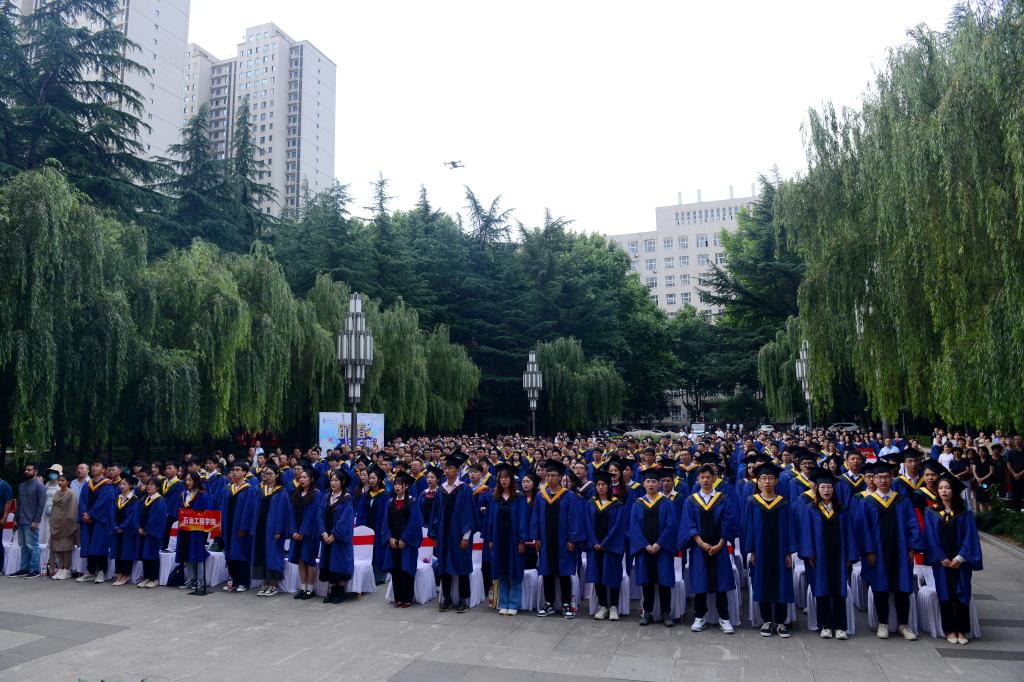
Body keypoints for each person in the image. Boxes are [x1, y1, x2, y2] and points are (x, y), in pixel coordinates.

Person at [857, 460, 923, 640]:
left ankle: (904, 625)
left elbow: (913, 525)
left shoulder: (902, 501)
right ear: (873, 480)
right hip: (877, 552)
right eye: (880, 477)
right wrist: (868, 551)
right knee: (880, 588)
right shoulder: (867, 502)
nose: (883, 480)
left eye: (887, 477)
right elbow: (863, 529)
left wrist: (912, 547)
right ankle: (883, 623)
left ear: (892, 478)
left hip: (901, 551)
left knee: (903, 589)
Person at [923, 473, 983, 645]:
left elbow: (970, 536)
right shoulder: (931, 512)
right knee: (945, 594)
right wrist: (941, 557)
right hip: (941, 562)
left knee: (962, 593)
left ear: (954, 491)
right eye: (941, 488)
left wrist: (961, 557)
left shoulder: (964, 512)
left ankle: (962, 630)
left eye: (947, 488)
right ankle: (949, 629)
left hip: (960, 562)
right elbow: (930, 537)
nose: (944, 491)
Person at [680, 463, 737, 634]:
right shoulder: (691, 500)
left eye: (708, 477)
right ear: (698, 479)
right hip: (699, 548)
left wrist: (721, 543)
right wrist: (699, 542)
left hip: (719, 547)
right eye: (702, 477)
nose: (705, 480)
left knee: (721, 582)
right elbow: (688, 523)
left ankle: (724, 617)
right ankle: (699, 616)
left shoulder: (723, 499)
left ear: (714, 479)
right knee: (700, 581)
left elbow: (728, 522)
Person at [743, 461, 796, 638]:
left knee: (782, 583)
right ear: (758, 481)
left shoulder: (784, 503)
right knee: (762, 581)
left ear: (776, 481)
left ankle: (781, 621)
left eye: (770, 478)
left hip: (780, 550)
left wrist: (789, 552)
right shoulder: (752, 502)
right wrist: (752, 550)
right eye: (763, 478)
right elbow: (749, 527)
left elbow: (789, 528)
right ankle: (766, 620)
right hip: (760, 550)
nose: (767, 481)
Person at [798, 470, 853, 640]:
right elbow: (806, 532)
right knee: (822, 590)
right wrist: (809, 554)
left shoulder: (841, 509)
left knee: (839, 591)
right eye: (823, 487)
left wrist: (849, 556)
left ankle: (840, 626)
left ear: (834, 489)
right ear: (817, 489)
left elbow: (849, 533)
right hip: (819, 556)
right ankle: (825, 625)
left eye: (829, 487)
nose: (826, 490)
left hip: (838, 556)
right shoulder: (811, 509)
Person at [532, 459, 586, 619]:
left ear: (560, 477)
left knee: (564, 573)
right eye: (548, 475)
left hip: (563, 541)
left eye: (553, 475)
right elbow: (536, 518)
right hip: (546, 541)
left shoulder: (569, 496)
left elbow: (574, 519)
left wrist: (572, 539)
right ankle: (548, 603)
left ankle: (566, 604)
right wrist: (537, 537)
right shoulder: (541, 496)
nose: (550, 478)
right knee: (547, 572)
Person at [628, 467, 678, 627]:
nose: (651, 484)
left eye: (654, 481)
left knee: (664, 582)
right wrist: (645, 544)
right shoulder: (638, 504)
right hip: (644, 550)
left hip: (662, 549)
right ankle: (647, 612)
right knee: (647, 581)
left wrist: (658, 544)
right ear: (643, 484)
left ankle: (666, 612)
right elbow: (634, 527)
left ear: (659, 484)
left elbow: (671, 526)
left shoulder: (667, 503)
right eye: (648, 481)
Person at [429, 454, 475, 613]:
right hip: (443, 535)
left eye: (450, 468)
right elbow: (436, 515)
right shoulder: (440, 490)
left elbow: (468, 514)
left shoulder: (464, 489)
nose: (447, 470)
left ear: (457, 470)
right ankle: (447, 598)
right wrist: (434, 535)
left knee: (461, 565)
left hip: (459, 535)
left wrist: (466, 536)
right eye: (445, 468)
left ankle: (463, 599)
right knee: (444, 566)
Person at [584, 470, 626, 621]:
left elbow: (618, 526)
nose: (600, 487)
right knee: (597, 575)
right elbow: (587, 525)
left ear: (609, 486)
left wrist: (605, 543)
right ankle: (603, 606)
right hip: (595, 547)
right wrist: (595, 542)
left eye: (603, 484)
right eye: (598, 484)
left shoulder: (617, 504)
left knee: (613, 575)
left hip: (611, 547)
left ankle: (613, 606)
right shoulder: (590, 504)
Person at [488, 463, 529, 616]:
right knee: (502, 570)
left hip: (513, 540)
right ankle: (503, 603)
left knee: (514, 571)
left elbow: (523, 520)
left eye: (506, 477)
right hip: (499, 539)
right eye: (501, 477)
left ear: (512, 479)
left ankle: (513, 604)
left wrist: (521, 541)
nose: (503, 480)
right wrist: (491, 539)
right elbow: (490, 519)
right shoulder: (495, 498)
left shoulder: (519, 498)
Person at [382, 471, 423, 608]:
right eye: (395, 484)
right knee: (396, 569)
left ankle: (407, 598)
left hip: (407, 543)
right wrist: (389, 538)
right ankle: (398, 598)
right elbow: (385, 522)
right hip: (393, 542)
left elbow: (414, 522)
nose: (397, 487)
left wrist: (404, 539)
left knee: (406, 569)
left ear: (406, 486)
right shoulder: (390, 502)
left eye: (400, 484)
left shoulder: (412, 502)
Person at [252, 464, 291, 597]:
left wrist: (279, 531)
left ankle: (273, 585)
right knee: (262, 554)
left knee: (273, 556)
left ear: (277, 475)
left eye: (270, 474)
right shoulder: (261, 490)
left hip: (273, 531)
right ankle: (265, 583)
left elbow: (283, 514)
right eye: (265, 474)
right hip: (261, 528)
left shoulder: (282, 493)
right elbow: (256, 510)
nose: (267, 476)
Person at [318, 468, 355, 604]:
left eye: (336, 480)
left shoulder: (346, 498)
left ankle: (340, 592)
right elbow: (319, 516)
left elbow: (345, 520)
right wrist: (323, 533)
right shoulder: (326, 497)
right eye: (331, 480)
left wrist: (334, 535)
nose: (333, 483)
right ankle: (331, 591)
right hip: (326, 536)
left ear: (342, 482)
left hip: (339, 539)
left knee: (339, 563)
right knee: (329, 563)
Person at [77, 460, 116, 583]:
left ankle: (101, 572)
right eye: (93, 466)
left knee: (100, 545)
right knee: (89, 545)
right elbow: (82, 501)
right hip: (87, 520)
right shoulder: (87, 484)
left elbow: (104, 503)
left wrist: (91, 515)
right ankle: (90, 571)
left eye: (97, 466)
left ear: (104, 470)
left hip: (100, 521)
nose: (94, 468)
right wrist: (84, 514)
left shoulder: (107, 486)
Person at [222, 462, 258, 593]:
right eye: (233, 470)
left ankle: (243, 582)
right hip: (229, 526)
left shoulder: (249, 490)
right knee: (230, 554)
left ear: (244, 473)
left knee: (241, 554)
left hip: (240, 529)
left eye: (238, 470)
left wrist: (243, 528)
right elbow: (223, 509)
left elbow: (249, 511)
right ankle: (233, 581)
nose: (234, 472)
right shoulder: (228, 489)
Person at [288, 465, 322, 600]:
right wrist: (294, 531)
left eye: (304, 477)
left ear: (311, 479)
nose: (301, 479)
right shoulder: (296, 494)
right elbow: (292, 513)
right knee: (300, 560)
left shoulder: (317, 494)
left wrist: (302, 532)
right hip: (296, 532)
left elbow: (312, 515)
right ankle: (302, 587)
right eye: (300, 477)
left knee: (309, 559)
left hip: (309, 533)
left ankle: (310, 589)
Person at [175, 472, 211, 591]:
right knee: (186, 554)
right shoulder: (183, 494)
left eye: (190, 480)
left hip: (197, 530)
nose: (188, 482)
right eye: (186, 480)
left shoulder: (202, 495)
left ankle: (200, 579)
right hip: (185, 529)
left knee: (197, 554)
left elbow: (207, 512)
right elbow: (178, 510)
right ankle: (191, 578)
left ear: (196, 481)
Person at [11, 462, 46, 578]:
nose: (26, 471)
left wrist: (36, 521)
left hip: (31, 521)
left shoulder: (39, 485)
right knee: (23, 546)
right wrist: (15, 519)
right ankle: (24, 568)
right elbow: (19, 504)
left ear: (35, 472)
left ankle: (35, 570)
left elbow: (41, 505)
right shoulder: (22, 485)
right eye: (26, 470)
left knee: (33, 546)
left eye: (29, 470)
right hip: (21, 520)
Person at [109, 475, 141, 586]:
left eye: (124, 484)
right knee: (117, 551)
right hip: (116, 529)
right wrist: (115, 526)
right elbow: (112, 513)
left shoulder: (134, 499)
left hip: (128, 531)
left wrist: (122, 527)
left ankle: (125, 574)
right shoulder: (117, 498)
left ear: (130, 486)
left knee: (126, 552)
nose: (121, 486)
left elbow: (132, 516)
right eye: (120, 484)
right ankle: (118, 573)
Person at [136, 478, 168, 588]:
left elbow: (156, 518)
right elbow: (138, 514)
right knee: (144, 555)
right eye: (148, 484)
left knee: (152, 555)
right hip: (142, 532)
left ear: (158, 487)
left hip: (153, 533)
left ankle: (154, 578)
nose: (149, 486)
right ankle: (146, 577)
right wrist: (138, 527)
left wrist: (147, 529)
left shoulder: (160, 501)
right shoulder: (145, 499)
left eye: (152, 485)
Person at [47, 472, 79, 580]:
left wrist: (68, 524)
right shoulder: (57, 493)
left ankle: (67, 570)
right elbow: (54, 509)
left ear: (68, 482)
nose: (60, 482)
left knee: (66, 548)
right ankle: (61, 568)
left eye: (63, 480)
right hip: (56, 523)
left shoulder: (71, 493)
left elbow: (72, 511)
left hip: (66, 525)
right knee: (57, 548)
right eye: (59, 480)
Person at [160, 462, 184, 551]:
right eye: (166, 469)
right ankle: (162, 545)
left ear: (176, 470)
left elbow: (176, 500)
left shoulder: (180, 484)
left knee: (169, 530)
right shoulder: (163, 482)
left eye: (170, 468)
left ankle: (168, 547)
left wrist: (168, 511)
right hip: (162, 511)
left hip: (172, 512)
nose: (167, 470)